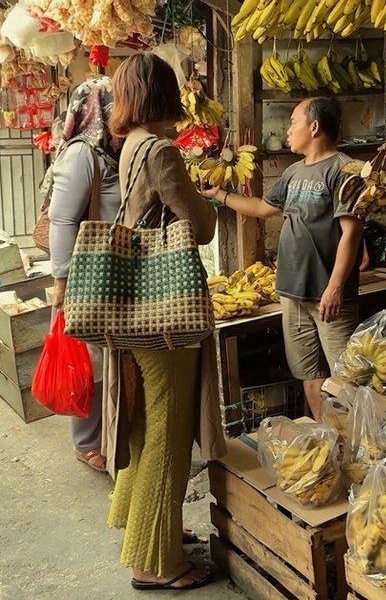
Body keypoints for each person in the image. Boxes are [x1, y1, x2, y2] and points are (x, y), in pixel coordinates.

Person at [106, 53, 226, 591]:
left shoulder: (130, 143)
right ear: (165, 93)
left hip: (136, 307)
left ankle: (152, 531)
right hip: (167, 314)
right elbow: (200, 227)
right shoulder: (162, 151)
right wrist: (211, 203)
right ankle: (156, 563)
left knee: (146, 423)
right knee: (169, 430)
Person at [205, 97, 364, 421]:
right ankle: (329, 441)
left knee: (348, 380)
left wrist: (335, 287)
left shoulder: (344, 170)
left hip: (328, 296)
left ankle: (359, 452)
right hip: (291, 293)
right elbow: (263, 208)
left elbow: (352, 233)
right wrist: (220, 196)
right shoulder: (293, 173)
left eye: (293, 122)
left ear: (314, 126)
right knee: (310, 374)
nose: (287, 129)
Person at [49, 76, 122, 472]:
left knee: (104, 358)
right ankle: (87, 441)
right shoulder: (82, 153)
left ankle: (106, 432)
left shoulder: (113, 150)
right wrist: (61, 282)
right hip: (83, 275)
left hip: (109, 269)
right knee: (89, 363)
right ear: (97, 107)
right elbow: (62, 219)